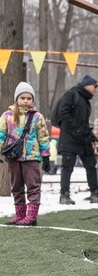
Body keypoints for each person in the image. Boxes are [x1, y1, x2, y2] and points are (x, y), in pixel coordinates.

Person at [0, 82, 51, 226]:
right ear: (17, 99)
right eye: (23, 97)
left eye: (29, 98)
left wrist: (46, 156)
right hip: (13, 157)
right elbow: (1, 134)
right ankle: (20, 215)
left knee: (33, 186)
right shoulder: (7, 116)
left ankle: (32, 216)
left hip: (31, 157)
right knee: (16, 186)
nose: (26, 100)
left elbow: (43, 137)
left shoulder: (37, 117)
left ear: (33, 100)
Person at [57, 74, 98, 205]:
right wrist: (76, 130)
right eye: (95, 86)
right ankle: (64, 195)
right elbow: (63, 113)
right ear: (87, 86)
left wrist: (91, 136)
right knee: (67, 167)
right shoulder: (72, 94)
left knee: (91, 166)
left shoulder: (85, 100)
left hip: (83, 139)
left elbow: (83, 122)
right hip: (69, 139)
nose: (96, 89)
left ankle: (94, 193)